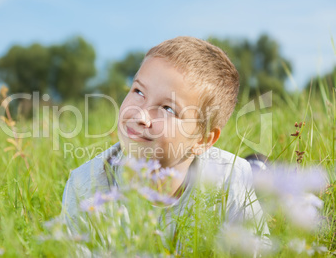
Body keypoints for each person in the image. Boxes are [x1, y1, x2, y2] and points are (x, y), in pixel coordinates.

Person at [61, 36, 270, 252]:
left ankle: (260, 170)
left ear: (203, 139)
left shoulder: (230, 178)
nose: (141, 115)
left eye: (168, 109)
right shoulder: (85, 186)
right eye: (138, 92)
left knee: (262, 187)